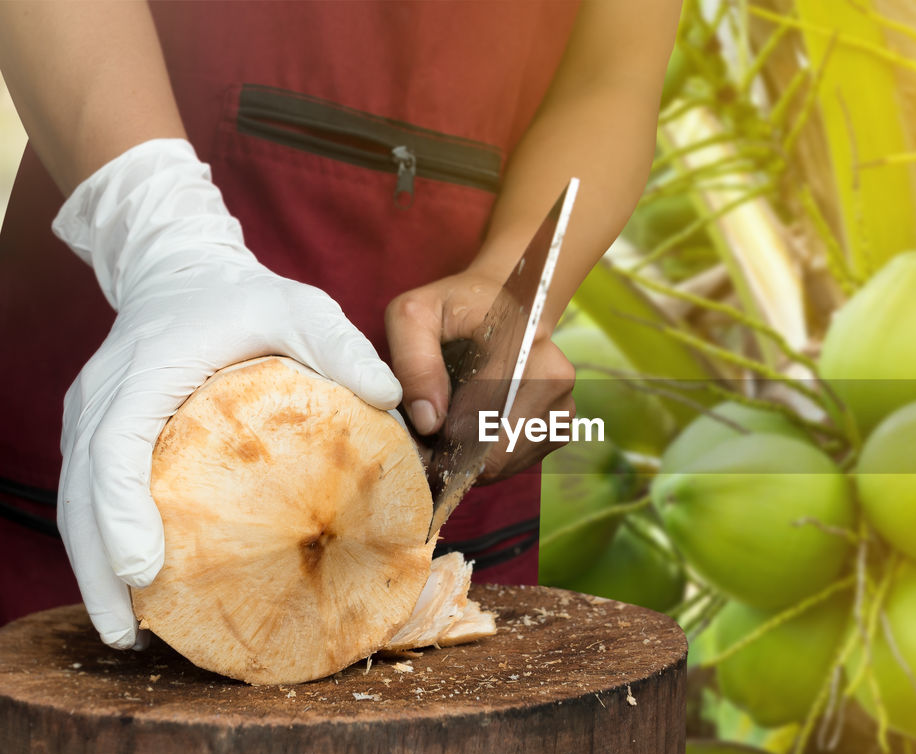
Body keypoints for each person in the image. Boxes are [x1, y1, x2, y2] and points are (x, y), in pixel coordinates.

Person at [0, 1, 681, 649]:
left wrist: (512, 286)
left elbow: (611, 73)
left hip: (441, 450)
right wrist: (162, 241)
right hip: (120, 341)